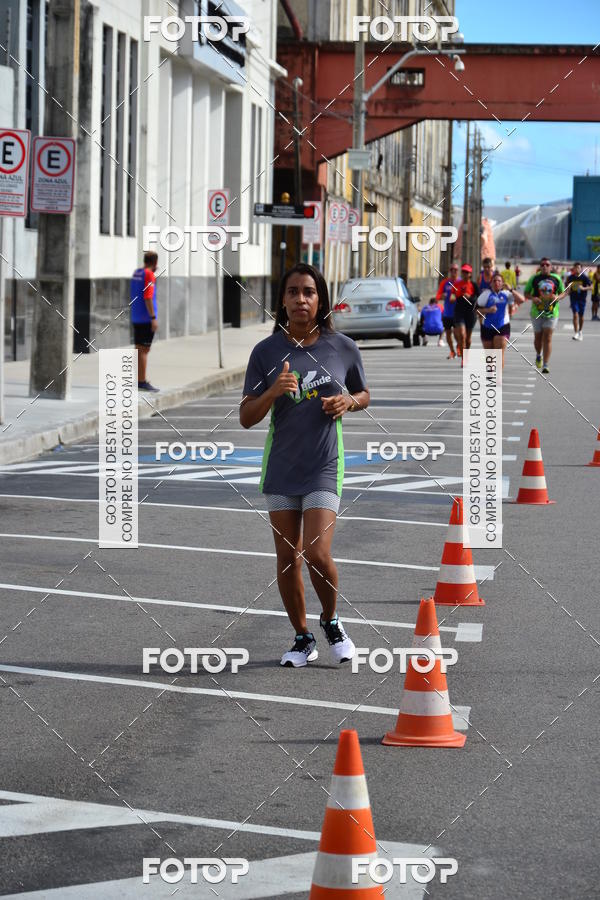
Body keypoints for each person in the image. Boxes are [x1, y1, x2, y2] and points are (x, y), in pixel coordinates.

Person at [240, 264, 370, 668]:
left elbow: (364, 393)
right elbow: (246, 416)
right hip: (281, 467)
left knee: (316, 551)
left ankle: (331, 620)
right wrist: (273, 391)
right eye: (293, 291)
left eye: (309, 292)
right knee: (286, 557)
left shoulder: (342, 347)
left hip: (323, 465)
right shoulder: (265, 352)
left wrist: (348, 402)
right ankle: (302, 637)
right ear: (282, 299)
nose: (301, 299)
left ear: (321, 299)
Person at [524, 258, 564, 374]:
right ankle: (538, 354)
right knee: (538, 338)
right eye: (543, 264)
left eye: (547, 264)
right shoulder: (534, 278)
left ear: (551, 267)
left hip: (552, 313)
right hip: (537, 312)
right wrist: (533, 298)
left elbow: (564, 292)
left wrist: (557, 298)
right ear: (540, 267)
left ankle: (546, 364)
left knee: (548, 337)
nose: (545, 266)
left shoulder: (556, 278)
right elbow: (526, 292)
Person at [477, 272, 525, 368]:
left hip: (502, 326)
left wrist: (511, 289)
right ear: (491, 283)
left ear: (502, 283)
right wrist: (488, 310)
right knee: (489, 357)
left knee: (498, 354)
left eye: (499, 281)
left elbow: (522, 300)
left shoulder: (507, 294)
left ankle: (498, 380)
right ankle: (491, 379)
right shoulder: (486, 294)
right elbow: (476, 311)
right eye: (494, 281)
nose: (496, 283)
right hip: (487, 327)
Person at [130, 251, 159, 391]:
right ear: (155, 263)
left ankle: (138, 379)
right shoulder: (149, 275)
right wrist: (153, 318)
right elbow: (148, 297)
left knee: (138, 348)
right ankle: (142, 381)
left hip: (136, 315)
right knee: (144, 349)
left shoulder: (137, 273)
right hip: (146, 318)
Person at [452, 263, 478, 363]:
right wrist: (453, 297)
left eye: (466, 272)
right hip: (459, 312)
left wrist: (470, 297)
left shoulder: (474, 285)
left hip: (470, 313)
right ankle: (464, 359)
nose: (464, 274)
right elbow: (453, 294)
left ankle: (466, 354)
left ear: (470, 274)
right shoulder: (457, 284)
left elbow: (479, 298)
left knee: (467, 339)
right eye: (463, 272)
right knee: (462, 335)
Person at [436, 263, 459, 358]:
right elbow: (437, 296)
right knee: (448, 334)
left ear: (458, 272)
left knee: (458, 334)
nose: (453, 272)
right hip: (447, 313)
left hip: (458, 313)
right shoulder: (445, 283)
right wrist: (442, 296)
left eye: (455, 270)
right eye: (452, 270)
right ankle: (452, 351)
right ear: (450, 271)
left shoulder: (461, 282)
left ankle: (459, 348)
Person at [565, 262, 592, 341]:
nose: (577, 269)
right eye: (575, 267)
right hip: (573, 299)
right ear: (573, 268)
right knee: (575, 314)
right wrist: (568, 290)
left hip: (582, 299)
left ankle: (580, 331)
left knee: (581, 316)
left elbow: (591, 286)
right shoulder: (570, 277)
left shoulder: (584, 277)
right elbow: (566, 286)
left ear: (581, 269)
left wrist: (584, 288)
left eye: (578, 268)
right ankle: (576, 332)